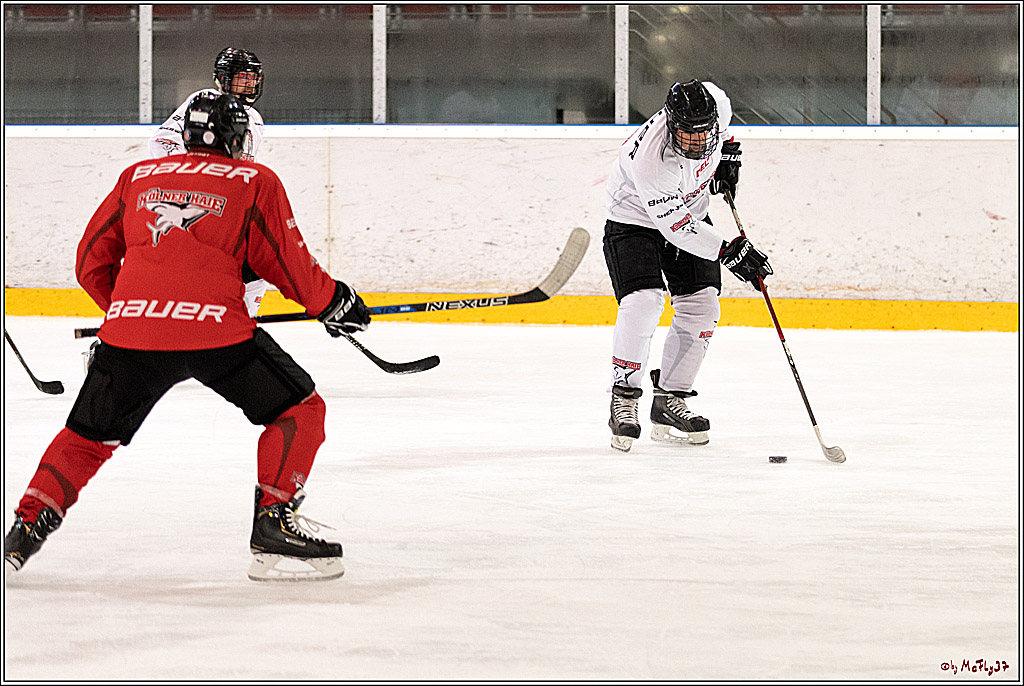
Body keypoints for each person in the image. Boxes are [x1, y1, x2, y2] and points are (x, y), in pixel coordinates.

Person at [4, 93, 371, 582]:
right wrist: (333, 303)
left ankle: (24, 531)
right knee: (299, 411)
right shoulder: (254, 180)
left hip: (130, 335)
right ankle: (273, 525)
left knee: (86, 438)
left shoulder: (138, 176)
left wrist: (129, 312)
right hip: (219, 336)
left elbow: (90, 261)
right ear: (236, 139)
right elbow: (285, 264)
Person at [603, 79, 773, 452]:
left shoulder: (717, 104)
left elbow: (725, 135)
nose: (697, 142)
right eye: (686, 134)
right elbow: (676, 229)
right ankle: (624, 398)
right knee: (644, 302)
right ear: (670, 122)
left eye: (704, 133)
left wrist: (727, 155)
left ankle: (670, 400)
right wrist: (730, 251)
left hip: (691, 215)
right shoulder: (652, 161)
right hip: (634, 221)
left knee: (703, 307)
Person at [149, 47, 268, 318]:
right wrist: (197, 180)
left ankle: (243, 326)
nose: (249, 83)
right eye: (242, 77)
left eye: (253, 78)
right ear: (224, 78)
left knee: (254, 269)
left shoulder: (255, 119)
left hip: (229, 212)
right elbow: (161, 141)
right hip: (196, 209)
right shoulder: (205, 102)